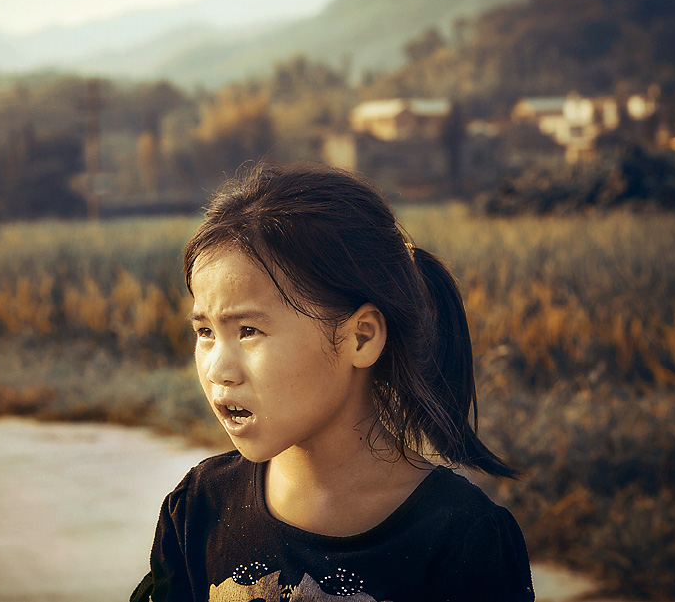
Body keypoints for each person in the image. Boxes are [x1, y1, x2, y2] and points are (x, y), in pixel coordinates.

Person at [131, 162, 535, 602]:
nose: (216, 370)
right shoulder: (198, 508)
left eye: (248, 331)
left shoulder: (464, 538)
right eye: (205, 332)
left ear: (361, 337)